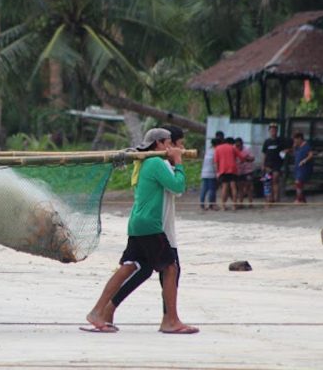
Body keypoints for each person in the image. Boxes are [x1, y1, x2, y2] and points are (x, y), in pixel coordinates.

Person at [85, 128, 198, 334]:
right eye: (169, 143)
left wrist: (173, 162)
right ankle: (171, 321)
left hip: (138, 223)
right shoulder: (155, 162)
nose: (172, 147)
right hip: (150, 225)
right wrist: (179, 163)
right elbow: (178, 186)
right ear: (160, 144)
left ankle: (98, 311)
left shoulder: (146, 163)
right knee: (171, 268)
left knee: (129, 267)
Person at [214, 137, 251, 211]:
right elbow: (241, 157)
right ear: (231, 143)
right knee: (233, 187)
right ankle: (234, 205)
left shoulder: (217, 148)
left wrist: (217, 172)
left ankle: (223, 206)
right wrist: (247, 159)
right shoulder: (232, 148)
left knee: (225, 187)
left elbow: (216, 161)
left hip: (223, 169)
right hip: (233, 169)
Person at [261, 123, 289, 205]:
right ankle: (270, 198)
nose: (273, 131)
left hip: (277, 163)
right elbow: (264, 153)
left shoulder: (280, 140)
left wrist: (284, 152)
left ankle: (276, 198)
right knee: (268, 181)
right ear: (269, 131)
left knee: (275, 180)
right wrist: (263, 164)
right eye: (271, 130)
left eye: (275, 130)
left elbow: (287, 149)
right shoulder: (267, 142)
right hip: (268, 163)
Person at [292, 132, 314, 203]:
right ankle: (302, 199)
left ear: (300, 139)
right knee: (298, 183)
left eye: (296, 140)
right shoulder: (297, 147)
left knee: (298, 182)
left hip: (304, 167)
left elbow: (311, 155)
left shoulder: (306, 146)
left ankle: (298, 199)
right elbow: (294, 153)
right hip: (298, 167)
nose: (295, 141)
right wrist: (294, 146)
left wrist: (304, 160)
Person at [235, 138, 255, 208]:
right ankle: (241, 203)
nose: (238, 147)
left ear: (242, 144)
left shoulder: (247, 149)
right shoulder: (234, 150)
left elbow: (252, 158)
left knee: (249, 187)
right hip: (239, 171)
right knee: (240, 188)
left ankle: (250, 203)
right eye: (237, 146)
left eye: (239, 145)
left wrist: (245, 159)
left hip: (248, 171)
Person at [200, 138, 219, 210]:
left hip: (204, 172)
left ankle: (202, 204)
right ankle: (212, 204)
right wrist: (217, 172)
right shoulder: (215, 151)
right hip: (211, 173)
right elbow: (215, 163)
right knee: (212, 189)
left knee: (204, 189)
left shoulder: (208, 150)